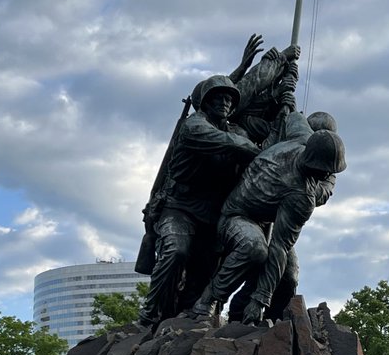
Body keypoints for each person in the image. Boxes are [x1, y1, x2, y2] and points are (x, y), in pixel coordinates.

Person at [190, 117, 345, 325]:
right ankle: (208, 300)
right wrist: (261, 299)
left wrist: (260, 299)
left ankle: (261, 319)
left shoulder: (302, 139)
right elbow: (279, 248)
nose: (326, 174)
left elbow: (294, 117)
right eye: (326, 170)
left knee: (289, 276)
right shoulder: (301, 193)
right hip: (237, 215)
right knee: (254, 248)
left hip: (268, 223)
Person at [138, 76, 262, 326]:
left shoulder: (237, 131)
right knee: (176, 250)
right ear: (205, 101)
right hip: (179, 207)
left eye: (229, 98)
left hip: (212, 214)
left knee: (203, 275)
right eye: (218, 96)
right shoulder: (194, 126)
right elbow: (231, 143)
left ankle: (185, 319)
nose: (225, 102)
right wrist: (256, 151)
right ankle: (150, 314)